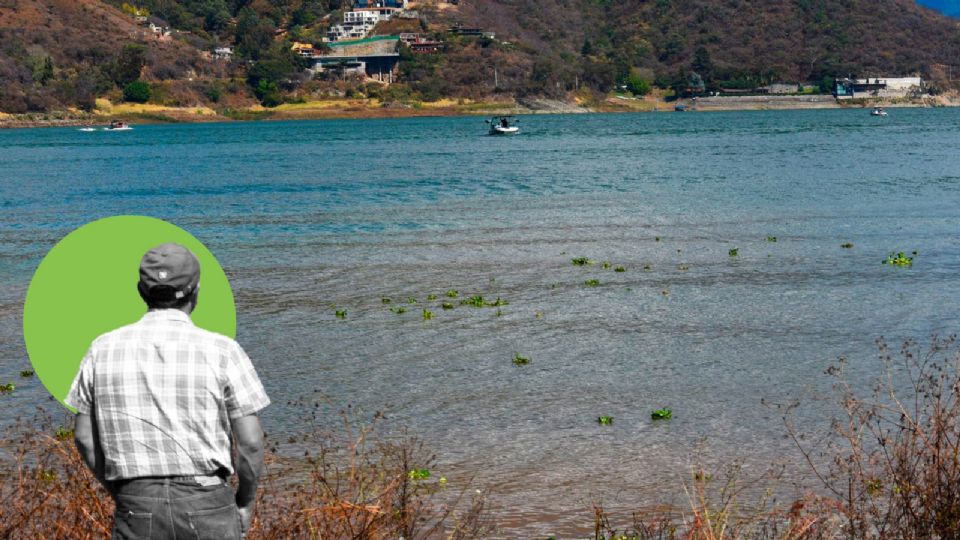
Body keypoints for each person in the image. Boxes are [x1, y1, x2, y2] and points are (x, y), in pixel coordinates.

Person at [66, 243, 270, 539]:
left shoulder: (102, 348)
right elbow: (250, 443)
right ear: (195, 290)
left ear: (141, 290)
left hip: (136, 501)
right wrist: (246, 502)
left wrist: (121, 492)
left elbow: (84, 437)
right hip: (208, 502)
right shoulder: (223, 350)